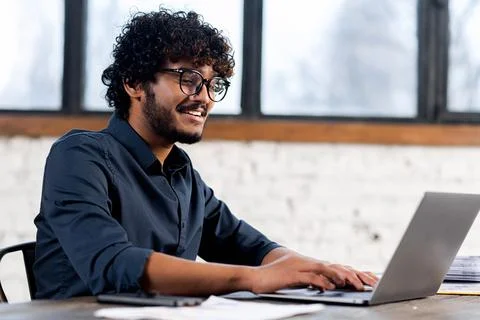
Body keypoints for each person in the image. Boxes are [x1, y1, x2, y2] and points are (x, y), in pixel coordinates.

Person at [33, 8, 377, 299]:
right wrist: (252, 279)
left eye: (213, 84)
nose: (205, 97)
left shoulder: (182, 175)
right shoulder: (79, 156)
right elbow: (113, 264)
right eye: (188, 78)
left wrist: (318, 270)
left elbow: (252, 249)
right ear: (134, 83)